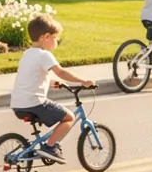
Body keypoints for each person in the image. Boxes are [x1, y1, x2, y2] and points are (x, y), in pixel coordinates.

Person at [10, 14, 96, 163]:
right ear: (46, 37)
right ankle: (50, 147)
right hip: (35, 103)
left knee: (56, 117)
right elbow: (61, 72)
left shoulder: (27, 54)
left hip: (18, 104)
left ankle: (30, 155)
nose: (57, 41)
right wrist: (83, 81)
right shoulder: (45, 55)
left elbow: (32, 75)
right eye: (56, 38)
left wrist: (50, 82)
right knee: (69, 117)